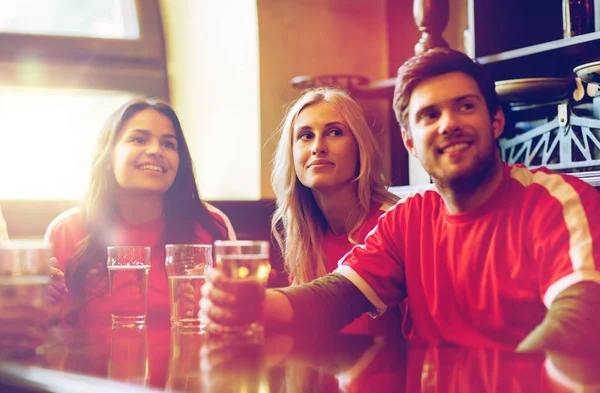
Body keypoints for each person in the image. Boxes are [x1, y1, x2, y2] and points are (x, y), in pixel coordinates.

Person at [202, 48, 600, 353]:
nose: (448, 123)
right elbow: (336, 295)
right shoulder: (408, 219)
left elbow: (581, 314)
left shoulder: (554, 201)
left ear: (495, 121)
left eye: (465, 106)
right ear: (410, 142)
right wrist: (254, 305)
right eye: (429, 115)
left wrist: (501, 377)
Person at [45, 98, 235, 326]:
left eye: (168, 144)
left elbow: (236, 314)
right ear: (108, 157)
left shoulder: (211, 224)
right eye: (139, 139)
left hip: (191, 359)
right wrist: (43, 304)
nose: (155, 151)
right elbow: (48, 321)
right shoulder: (66, 229)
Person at [270, 87, 401, 335]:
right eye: (305, 136)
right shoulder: (305, 232)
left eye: (334, 132)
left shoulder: (392, 223)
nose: (318, 147)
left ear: (360, 148)